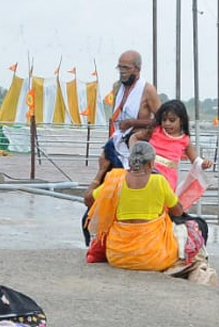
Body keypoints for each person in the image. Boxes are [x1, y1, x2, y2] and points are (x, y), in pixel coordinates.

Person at [84, 141, 206, 273]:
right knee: (195, 226)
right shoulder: (158, 181)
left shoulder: (115, 179)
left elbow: (88, 200)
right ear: (150, 164)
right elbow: (178, 211)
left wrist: (101, 171)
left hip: (118, 256)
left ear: (130, 162)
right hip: (153, 257)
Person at [83, 50, 160, 205]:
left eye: (126, 68)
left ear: (137, 69)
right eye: (120, 68)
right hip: (117, 139)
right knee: (103, 165)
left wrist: (133, 123)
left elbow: (160, 120)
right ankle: (99, 206)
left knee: (128, 179)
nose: (122, 73)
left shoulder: (147, 90)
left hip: (135, 144)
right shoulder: (118, 87)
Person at [129, 98, 212, 192]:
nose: (167, 123)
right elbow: (134, 137)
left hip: (167, 179)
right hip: (147, 173)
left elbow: (196, 160)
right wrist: (134, 154)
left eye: (172, 120)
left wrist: (203, 164)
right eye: (164, 120)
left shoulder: (185, 140)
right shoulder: (155, 130)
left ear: (181, 120)